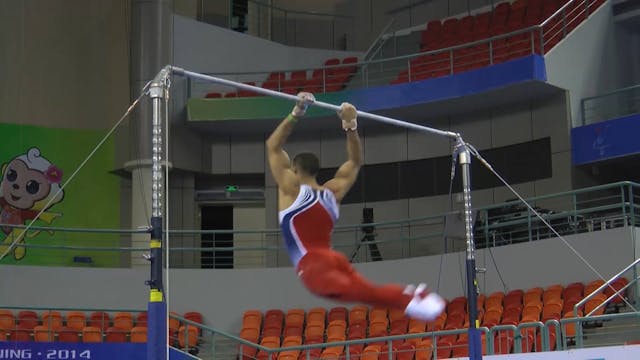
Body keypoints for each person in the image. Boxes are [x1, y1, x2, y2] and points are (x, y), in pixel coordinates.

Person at [266, 92, 445, 321]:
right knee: (368, 294)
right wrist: (350, 125)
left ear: (294, 170)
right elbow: (354, 162)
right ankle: (412, 296)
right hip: (334, 259)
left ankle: (411, 296)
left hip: (312, 264)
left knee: (367, 293)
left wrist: (297, 112)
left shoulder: (290, 189)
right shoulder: (333, 192)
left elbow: (273, 146)